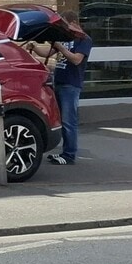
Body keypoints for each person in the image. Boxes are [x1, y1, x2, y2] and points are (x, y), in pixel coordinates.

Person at [46, 21, 94, 165]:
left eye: (67, 26)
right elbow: (47, 53)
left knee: (69, 121)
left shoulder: (84, 40)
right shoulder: (66, 39)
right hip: (59, 82)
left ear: (74, 23)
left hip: (71, 85)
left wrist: (60, 47)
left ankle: (69, 154)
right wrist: (35, 47)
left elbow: (76, 60)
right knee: (61, 120)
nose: (65, 30)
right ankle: (64, 151)